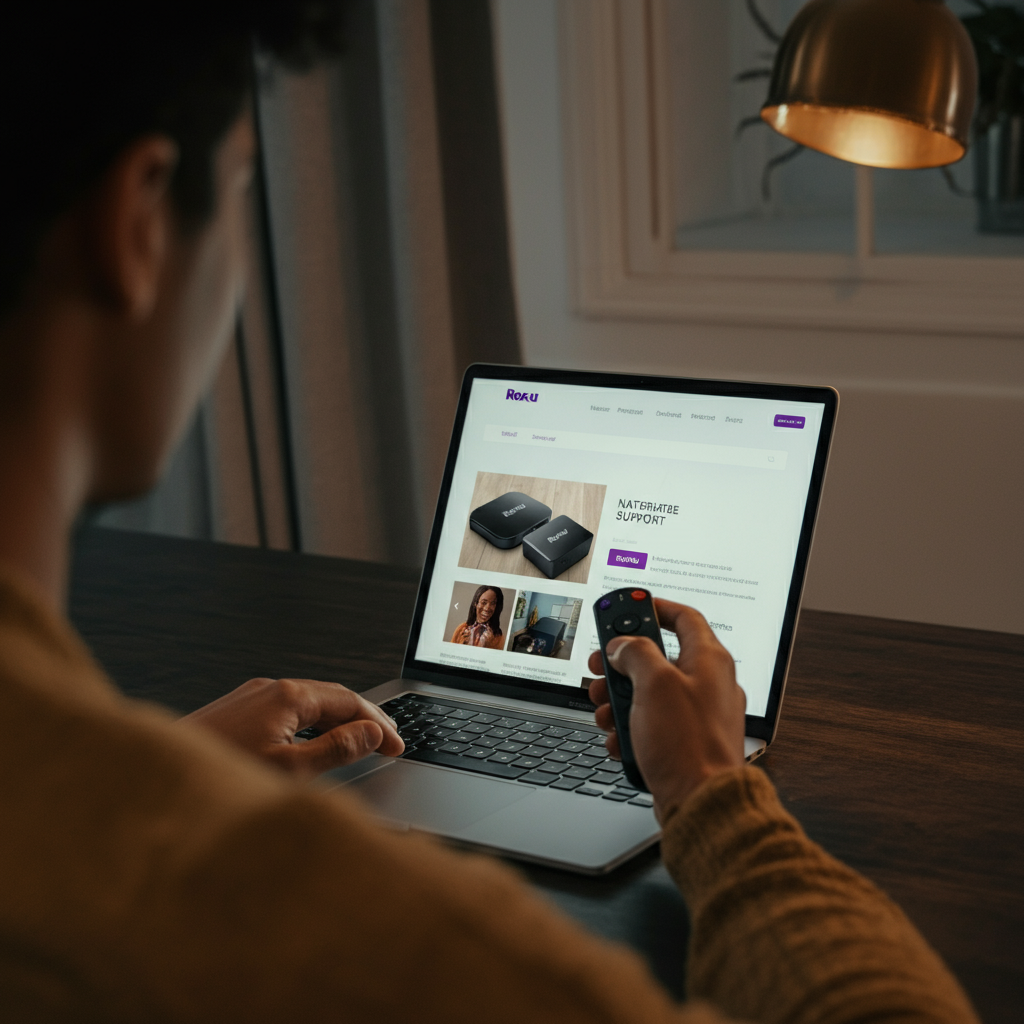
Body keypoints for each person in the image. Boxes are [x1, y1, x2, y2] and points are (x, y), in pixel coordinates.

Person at [0, 3, 979, 1022]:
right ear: (138, 221)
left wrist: (176, 768)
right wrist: (702, 786)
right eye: (249, 185)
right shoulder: (435, 966)